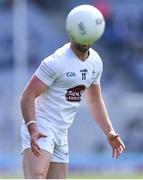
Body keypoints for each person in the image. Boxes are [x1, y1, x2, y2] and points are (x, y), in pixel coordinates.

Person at [20, 5, 125, 179]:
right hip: (42, 125)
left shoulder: (96, 62)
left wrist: (110, 132)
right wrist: (32, 127)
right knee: (36, 177)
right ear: (72, 32)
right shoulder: (56, 62)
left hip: (62, 132)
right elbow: (27, 96)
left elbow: (95, 101)